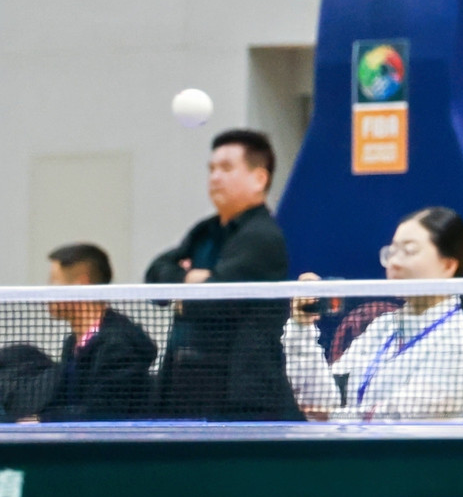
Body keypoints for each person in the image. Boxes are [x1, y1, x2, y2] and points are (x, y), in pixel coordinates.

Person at [146, 129, 300, 420]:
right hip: (185, 389)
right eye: (212, 169)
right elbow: (155, 277)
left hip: (240, 397)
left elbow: (212, 301)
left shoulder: (262, 237)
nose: (215, 177)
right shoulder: (204, 231)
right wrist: (191, 282)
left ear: (259, 179)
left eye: (226, 168)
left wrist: (185, 291)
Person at [284, 207, 463, 422]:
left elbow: (398, 417)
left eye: (409, 251)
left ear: (448, 265)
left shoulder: (460, 339)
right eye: (392, 252)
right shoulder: (383, 327)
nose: (394, 263)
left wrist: (332, 416)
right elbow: (320, 401)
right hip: (357, 443)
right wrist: (301, 328)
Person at [38, 243, 157, 421]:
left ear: (81, 284)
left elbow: (103, 412)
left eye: (54, 281)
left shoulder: (118, 345)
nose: (46, 291)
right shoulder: (73, 343)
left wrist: (44, 420)